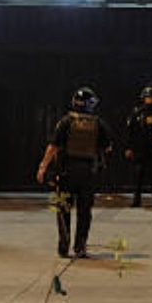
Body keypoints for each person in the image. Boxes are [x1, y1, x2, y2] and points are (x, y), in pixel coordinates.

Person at [36, 87, 113, 258]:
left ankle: (64, 245)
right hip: (88, 174)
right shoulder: (99, 123)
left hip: (65, 172)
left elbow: (53, 146)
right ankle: (80, 246)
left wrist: (43, 166)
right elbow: (108, 148)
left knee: (62, 208)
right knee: (85, 211)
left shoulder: (65, 121)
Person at [124, 84, 152, 207]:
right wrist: (128, 147)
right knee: (138, 175)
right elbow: (130, 131)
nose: (149, 99)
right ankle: (136, 200)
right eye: (147, 97)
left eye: (151, 97)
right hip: (139, 148)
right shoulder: (137, 113)